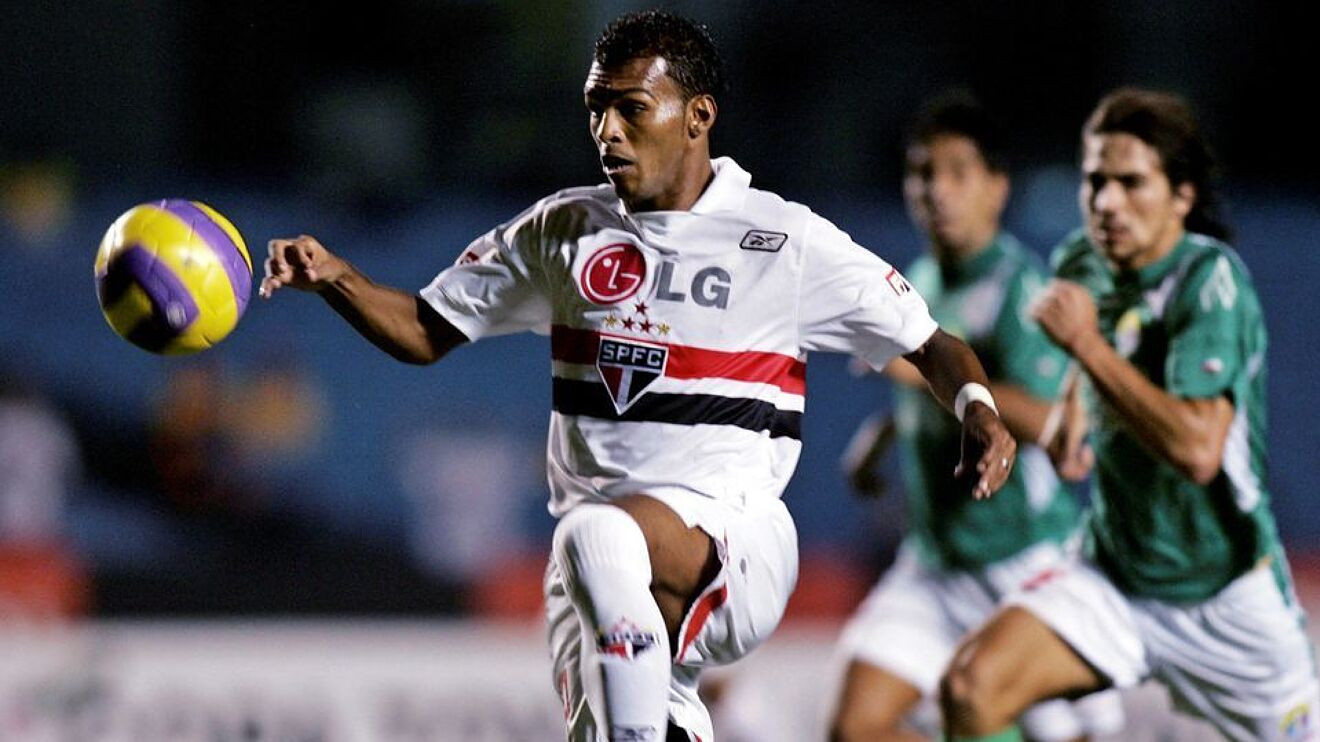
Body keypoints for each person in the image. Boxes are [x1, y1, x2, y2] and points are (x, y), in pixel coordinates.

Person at [260, 10, 1017, 742]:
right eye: (597, 109)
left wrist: (978, 408)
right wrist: (336, 278)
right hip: (595, 582)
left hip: (732, 542)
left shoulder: (784, 241)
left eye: (631, 108)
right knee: (628, 660)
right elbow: (427, 330)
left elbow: (930, 343)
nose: (607, 131)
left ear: (697, 116)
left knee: (598, 532)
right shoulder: (562, 229)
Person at [938, 87, 1320, 742]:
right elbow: (1089, 378)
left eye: (1131, 182)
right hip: (1113, 576)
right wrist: (1071, 417)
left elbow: (1198, 451)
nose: (1107, 201)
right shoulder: (1080, 263)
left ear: (1182, 195)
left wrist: (1086, 346)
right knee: (970, 688)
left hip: (1225, 597)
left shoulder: (1210, 282)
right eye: (1096, 181)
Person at [829, 92, 1122, 742]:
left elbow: (1047, 423)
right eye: (922, 172)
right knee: (856, 728)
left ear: (997, 187)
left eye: (958, 172)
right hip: (935, 563)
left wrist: (914, 370)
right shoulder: (919, 280)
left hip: (1023, 561)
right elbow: (943, 404)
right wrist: (883, 436)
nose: (937, 190)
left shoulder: (1020, 289)